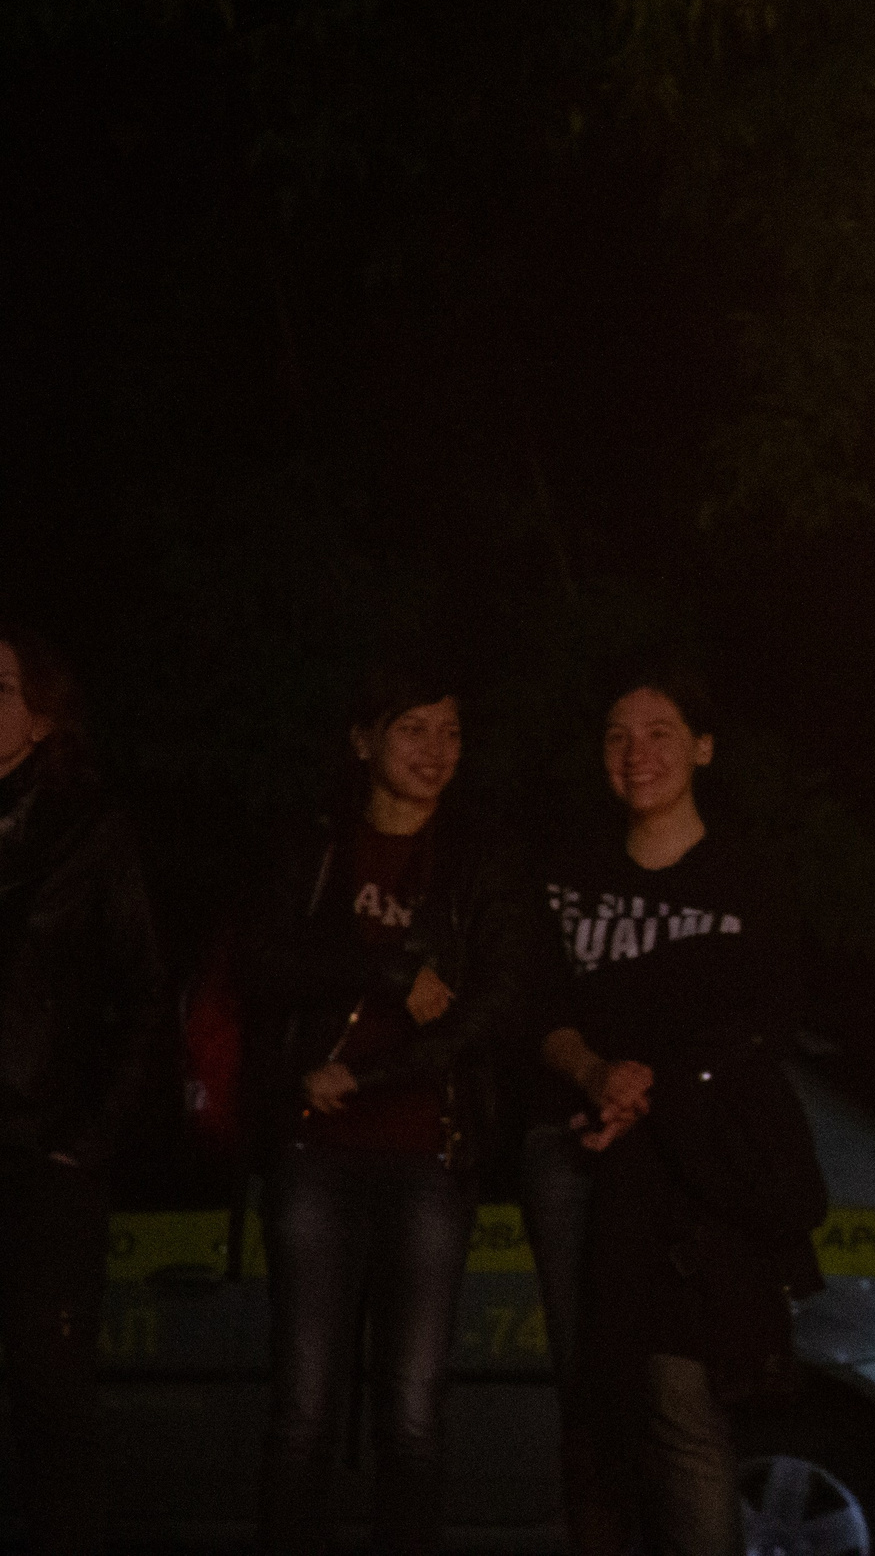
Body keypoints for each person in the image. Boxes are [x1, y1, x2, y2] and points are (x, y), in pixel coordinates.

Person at [244, 666, 542, 1556]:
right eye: (413, 728)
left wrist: (372, 1079)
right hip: (315, 1152)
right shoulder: (316, 847)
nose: (435, 750)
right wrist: (380, 972)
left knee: (411, 1410)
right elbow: (262, 958)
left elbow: (497, 1005)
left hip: (429, 1152)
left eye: (450, 730)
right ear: (364, 739)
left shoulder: (479, 858)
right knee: (303, 1404)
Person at [535, 673, 825, 1556]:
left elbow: (758, 1028)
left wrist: (649, 1087)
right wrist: (592, 1073)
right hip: (579, 1159)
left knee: (681, 1407)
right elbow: (534, 1010)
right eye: (619, 735)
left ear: (702, 746)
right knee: (593, 1414)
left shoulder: (748, 881)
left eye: (661, 732)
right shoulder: (568, 875)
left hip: (691, 1174)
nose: (638, 754)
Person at [0, 623, 167, 1556]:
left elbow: (145, 997)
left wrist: (87, 1140)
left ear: (43, 714)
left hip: (39, 1154)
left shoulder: (88, 830)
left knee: (51, 1402)